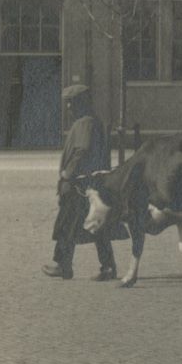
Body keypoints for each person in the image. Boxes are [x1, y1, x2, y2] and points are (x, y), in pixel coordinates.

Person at [42, 82, 115, 281]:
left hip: (79, 185)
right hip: (88, 184)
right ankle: (107, 266)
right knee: (94, 225)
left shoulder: (84, 123)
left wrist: (67, 173)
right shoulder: (91, 121)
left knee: (69, 224)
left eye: (71, 103)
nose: (68, 108)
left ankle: (63, 266)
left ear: (80, 104)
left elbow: (81, 151)